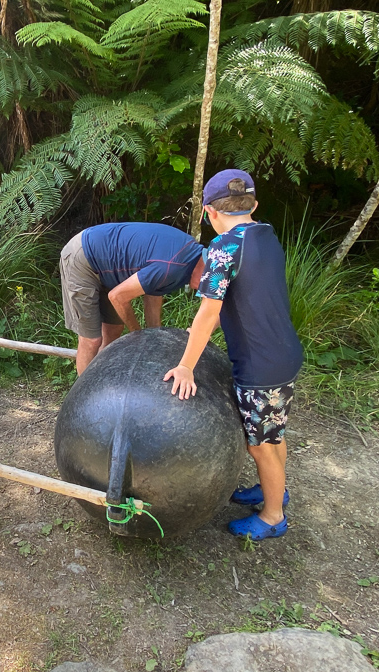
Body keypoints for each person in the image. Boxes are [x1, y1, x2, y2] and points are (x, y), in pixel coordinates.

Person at [162, 169, 304, 541]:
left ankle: (273, 516)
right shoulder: (266, 234)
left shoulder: (224, 248)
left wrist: (186, 365)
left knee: (261, 447)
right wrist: (197, 334)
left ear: (209, 212)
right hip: (284, 353)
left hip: (260, 365)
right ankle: (273, 489)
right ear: (253, 205)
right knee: (273, 434)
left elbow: (209, 311)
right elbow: (245, 295)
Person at [59, 222, 205, 374]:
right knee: (91, 340)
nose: (205, 289)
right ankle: (84, 388)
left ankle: (101, 379)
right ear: (204, 266)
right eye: (206, 282)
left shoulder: (188, 259)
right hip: (84, 257)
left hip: (109, 267)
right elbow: (117, 297)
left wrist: (153, 335)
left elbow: (153, 291)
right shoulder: (173, 265)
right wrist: (137, 335)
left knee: (114, 329)